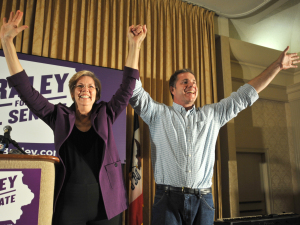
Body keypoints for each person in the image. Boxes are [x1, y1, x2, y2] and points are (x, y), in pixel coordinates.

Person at [130, 26, 300, 225]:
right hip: (167, 198)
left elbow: (245, 96)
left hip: (203, 200)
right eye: (185, 82)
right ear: (172, 89)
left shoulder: (212, 114)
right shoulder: (158, 114)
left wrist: (277, 66)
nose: (192, 85)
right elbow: (134, 91)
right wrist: (135, 46)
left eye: (194, 82)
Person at [0, 10, 146, 225]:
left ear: (96, 93)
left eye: (91, 86)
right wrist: (7, 43)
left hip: (107, 207)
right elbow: (25, 90)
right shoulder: (57, 115)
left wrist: (135, 46)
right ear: (72, 92)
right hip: (68, 207)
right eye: (80, 85)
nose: (85, 89)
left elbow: (127, 86)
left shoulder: (106, 113)